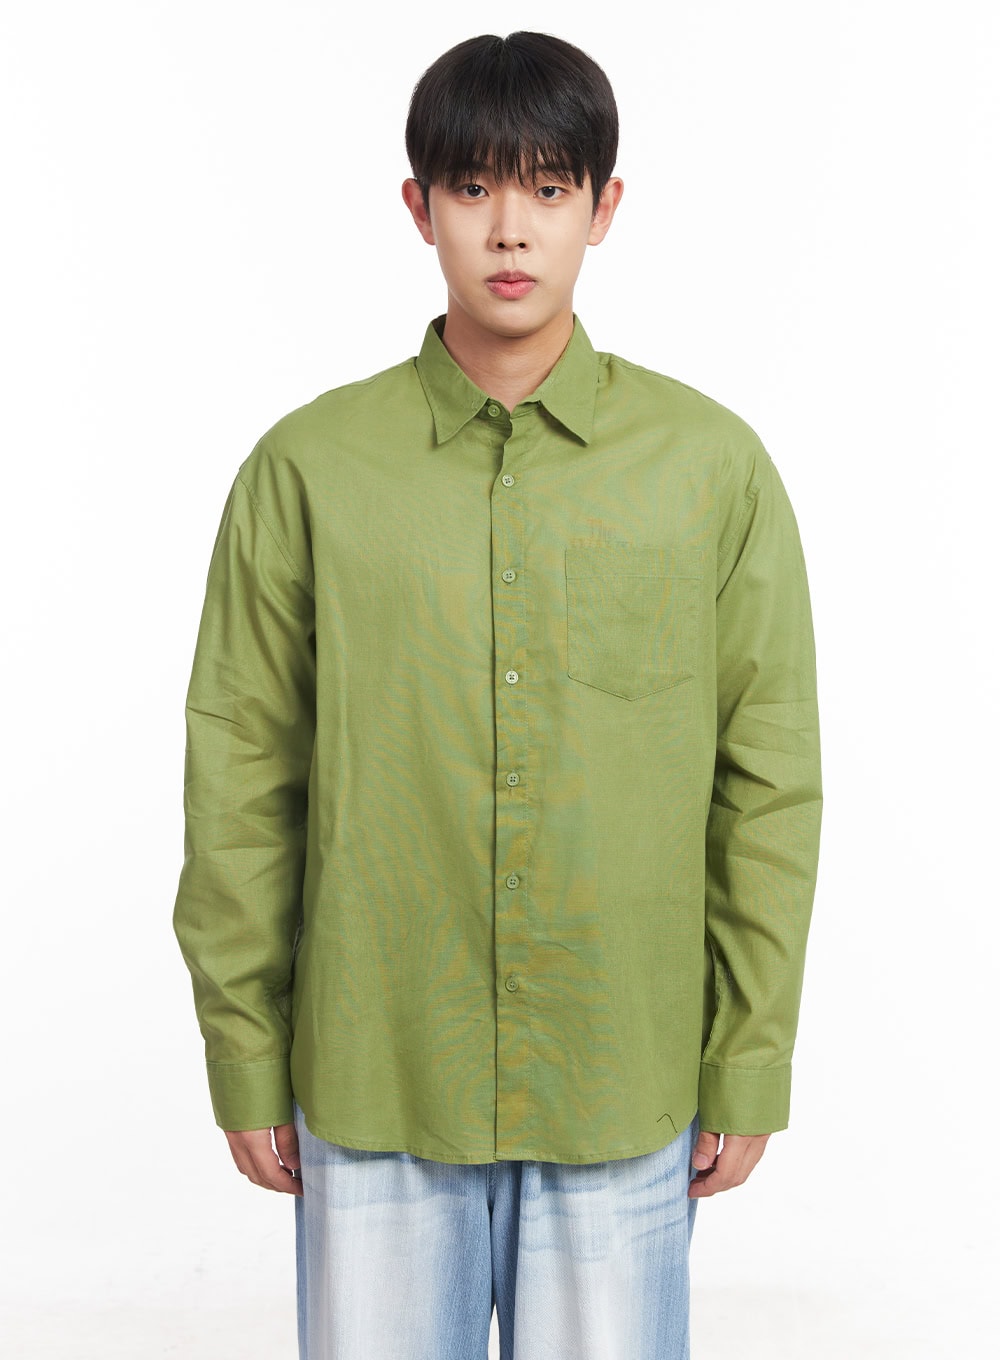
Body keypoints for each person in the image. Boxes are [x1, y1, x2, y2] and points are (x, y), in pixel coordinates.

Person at [172, 30, 823, 1360]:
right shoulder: (308, 471)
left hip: (620, 1070)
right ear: (418, 208)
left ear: (605, 207)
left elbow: (766, 783)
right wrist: (245, 1047)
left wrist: (747, 1055)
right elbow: (241, 773)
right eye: (472, 188)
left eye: (549, 187)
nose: (510, 228)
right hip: (377, 1067)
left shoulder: (710, 470)